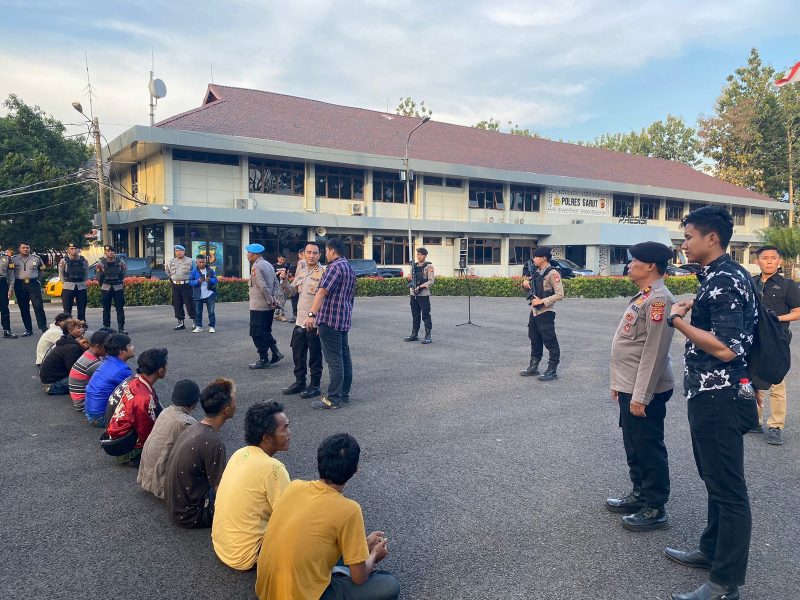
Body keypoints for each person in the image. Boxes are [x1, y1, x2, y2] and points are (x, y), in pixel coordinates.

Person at [665, 206, 757, 600]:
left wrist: (678, 321)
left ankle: (725, 581)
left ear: (711, 239)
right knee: (713, 479)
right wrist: (690, 307)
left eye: (687, 237)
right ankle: (710, 549)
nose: (683, 244)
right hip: (708, 392)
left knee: (728, 487)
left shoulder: (725, 279)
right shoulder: (717, 276)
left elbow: (725, 348)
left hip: (720, 394)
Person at [255, 433, 400, 600]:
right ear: (356, 469)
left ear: (319, 461)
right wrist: (374, 555)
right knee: (389, 585)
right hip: (301, 595)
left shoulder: (294, 487)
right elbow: (358, 578)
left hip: (266, 591)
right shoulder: (349, 509)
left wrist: (363, 544)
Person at [607, 242, 675, 532]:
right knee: (633, 443)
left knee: (648, 446)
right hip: (629, 385)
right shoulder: (644, 296)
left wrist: (641, 396)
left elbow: (654, 351)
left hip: (645, 389)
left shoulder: (659, 299)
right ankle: (639, 494)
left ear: (650, 266)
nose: (630, 265)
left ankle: (655, 507)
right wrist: (618, 385)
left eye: (635, 261)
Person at [212, 400, 291, 571]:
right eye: (284, 428)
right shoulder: (274, 468)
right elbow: (289, 519)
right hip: (247, 556)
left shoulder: (240, 453)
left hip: (223, 546)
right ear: (267, 438)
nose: (289, 433)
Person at [165, 378, 236, 528]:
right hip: (192, 514)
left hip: (175, 505)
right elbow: (220, 490)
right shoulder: (213, 443)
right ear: (227, 410)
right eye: (234, 400)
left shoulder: (193, 427)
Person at [752, 245, 800, 446]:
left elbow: (798, 312)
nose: (769, 261)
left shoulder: (788, 285)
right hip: (753, 339)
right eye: (765, 258)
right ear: (758, 261)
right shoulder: (751, 283)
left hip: (777, 340)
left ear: (779, 261)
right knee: (752, 380)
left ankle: (775, 426)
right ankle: (754, 421)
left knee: (776, 383)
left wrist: (776, 319)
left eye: (773, 258)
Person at [303, 237, 357, 410]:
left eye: (325, 251)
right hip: (343, 319)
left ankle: (334, 398)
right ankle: (344, 394)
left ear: (332, 250)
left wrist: (312, 314)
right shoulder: (348, 267)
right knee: (344, 358)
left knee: (335, 361)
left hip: (330, 320)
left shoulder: (334, 267)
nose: (325, 254)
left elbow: (321, 293)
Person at [103, 348, 168, 466]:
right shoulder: (144, 398)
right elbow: (146, 434)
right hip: (125, 449)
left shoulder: (137, 382)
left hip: (118, 436)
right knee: (170, 452)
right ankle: (133, 459)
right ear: (160, 370)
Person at [138, 379, 201, 497]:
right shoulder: (186, 423)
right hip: (159, 484)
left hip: (146, 477)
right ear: (194, 402)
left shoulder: (166, 411)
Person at [280, 242, 325, 399]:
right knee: (298, 355)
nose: (311, 255)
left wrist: (319, 321)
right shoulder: (301, 272)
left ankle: (315, 386)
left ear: (319, 255)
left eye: (315, 253)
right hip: (300, 322)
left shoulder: (323, 273)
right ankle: (300, 383)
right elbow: (292, 292)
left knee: (314, 356)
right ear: (303, 254)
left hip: (314, 323)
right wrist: (284, 281)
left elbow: (325, 301)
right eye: (309, 252)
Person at [519, 246, 564, 381]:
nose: (533, 259)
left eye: (535, 257)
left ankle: (552, 369)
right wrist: (525, 284)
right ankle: (534, 366)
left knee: (550, 341)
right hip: (534, 312)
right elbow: (532, 289)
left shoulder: (553, 273)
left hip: (546, 312)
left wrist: (543, 301)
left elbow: (560, 294)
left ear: (543, 258)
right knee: (534, 338)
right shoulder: (536, 272)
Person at [84, 333, 135, 427]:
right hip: (101, 418)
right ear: (122, 351)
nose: (133, 347)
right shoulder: (122, 370)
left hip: (91, 412)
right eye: (129, 345)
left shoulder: (107, 360)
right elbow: (133, 393)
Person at [246, 243, 283, 369]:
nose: (247, 255)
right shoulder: (268, 264)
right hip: (268, 306)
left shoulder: (256, 266)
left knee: (256, 332)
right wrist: (274, 299)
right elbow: (276, 283)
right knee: (266, 331)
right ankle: (275, 352)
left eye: (248, 253)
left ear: (255, 254)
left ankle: (263, 358)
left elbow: (262, 286)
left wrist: (269, 300)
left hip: (259, 306)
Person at [39, 319, 90, 395]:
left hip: (51, 381)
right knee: (91, 380)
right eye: (79, 328)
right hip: (52, 385)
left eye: (82, 327)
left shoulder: (67, 341)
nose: (82, 329)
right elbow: (75, 370)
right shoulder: (72, 348)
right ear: (71, 331)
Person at [8, 241, 48, 335]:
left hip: (33, 284)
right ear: (19, 249)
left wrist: (37, 279)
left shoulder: (36, 258)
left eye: (27, 248)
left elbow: (42, 270)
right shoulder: (13, 259)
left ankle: (43, 328)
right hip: (19, 285)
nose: (26, 249)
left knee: (38, 306)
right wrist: (12, 286)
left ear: (30, 248)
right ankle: (28, 329)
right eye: (23, 248)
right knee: (24, 308)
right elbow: (10, 273)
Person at [69, 328, 112, 412]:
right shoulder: (92, 363)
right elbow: (111, 379)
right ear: (98, 346)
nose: (111, 349)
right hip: (84, 404)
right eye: (108, 347)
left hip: (83, 399)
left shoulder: (89, 354)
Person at [403, 247, 435, 344]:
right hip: (413, 294)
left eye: (421, 254)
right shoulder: (414, 266)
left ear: (425, 255)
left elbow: (431, 281)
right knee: (415, 315)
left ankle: (428, 336)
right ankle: (414, 334)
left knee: (425, 315)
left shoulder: (429, 266)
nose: (418, 256)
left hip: (423, 295)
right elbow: (410, 278)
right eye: (417, 254)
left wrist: (420, 287)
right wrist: (409, 278)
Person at [95, 245, 127, 334]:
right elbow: (98, 277)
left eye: (112, 251)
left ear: (114, 252)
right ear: (105, 252)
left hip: (118, 287)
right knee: (106, 309)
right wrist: (103, 285)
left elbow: (123, 274)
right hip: (106, 287)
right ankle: (106, 328)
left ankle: (121, 328)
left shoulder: (120, 262)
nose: (110, 253)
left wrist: (118, 281)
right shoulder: (100, 263)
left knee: (120, 309)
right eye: (108, 251)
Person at [58, 243, 90, 323]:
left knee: (82, 309)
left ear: (78, 250)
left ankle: (81, 326)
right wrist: (65, 283)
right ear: (68, 250)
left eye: (75, 248)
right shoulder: (64, 261)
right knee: (67, 310)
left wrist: (83, 282)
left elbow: (86, 273)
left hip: (81, 286)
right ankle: (67, 326)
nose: (73, 250)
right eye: (71, 248)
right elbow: (61, 273)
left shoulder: (84, 261)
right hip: (68, 287)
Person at [168, 244, 195, 330]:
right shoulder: (171, 262)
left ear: (184, 251)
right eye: (176, 251)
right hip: (175, 285)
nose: (178, 252)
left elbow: (194, 272)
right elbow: (168, 272)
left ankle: (195, 322)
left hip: (186, 285)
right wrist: (173, 278)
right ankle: (181, 323)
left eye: (180, 250)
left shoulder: (190, 261)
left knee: (190, 304)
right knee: (177, 304)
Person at [189, 254, 218, 333]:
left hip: (209, 294)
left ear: (205, 262)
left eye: (203, 262)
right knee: (198, 312)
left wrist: (210, 280)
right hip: (198, 294)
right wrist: (198, 281)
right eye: (200, 262)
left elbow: (216, 280)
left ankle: (212, 326)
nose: (202, 264)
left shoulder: (210, 270)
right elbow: (190, 283)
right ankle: (199, 326)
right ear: (197, 262)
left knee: (211, 312)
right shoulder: (193, 272)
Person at [0, 248, 17, 339]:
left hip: (2, 283)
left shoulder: (7, 258)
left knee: (4, 307)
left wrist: (11, 288)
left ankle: (7, 331)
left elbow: (11, 274)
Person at [274, 253, 289, 322]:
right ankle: (282, 315)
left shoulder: (286, 266)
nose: (282, 261)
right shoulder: (274, 266)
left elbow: (290, 275)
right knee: (280, 300)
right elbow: (271, 275)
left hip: (284, 284)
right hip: (277, 285)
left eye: (283, 260)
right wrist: (278, 272)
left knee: (283, 300)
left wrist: (287, 274)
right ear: (278, 258)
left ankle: (277, 314)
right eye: (281, 259)